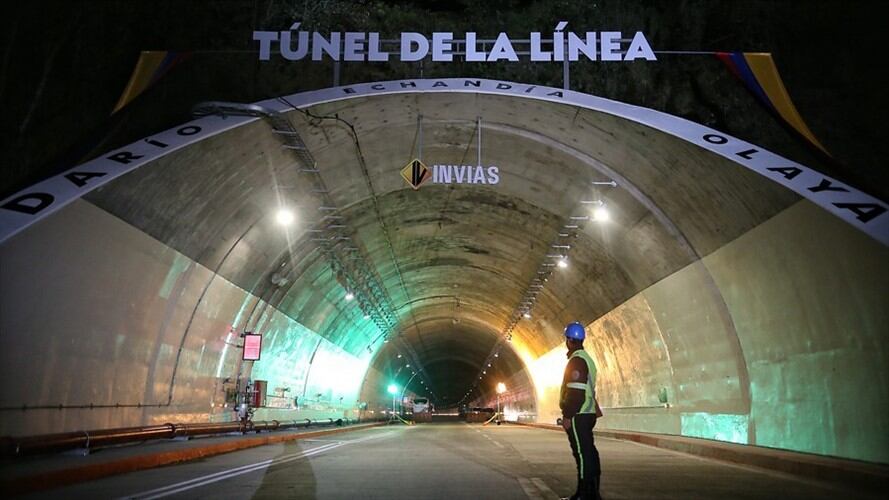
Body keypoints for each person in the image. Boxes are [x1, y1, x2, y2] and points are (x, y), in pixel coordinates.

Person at [560, 321, 602, 500]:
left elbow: (576, 393)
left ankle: (584, 495)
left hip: (579, 415)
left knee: (582, 455)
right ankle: (593, 492)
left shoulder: (576, 361)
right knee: (589, 452)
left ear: (569, 340)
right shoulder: (587, 359)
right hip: (588, 413)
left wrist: (567, 415)